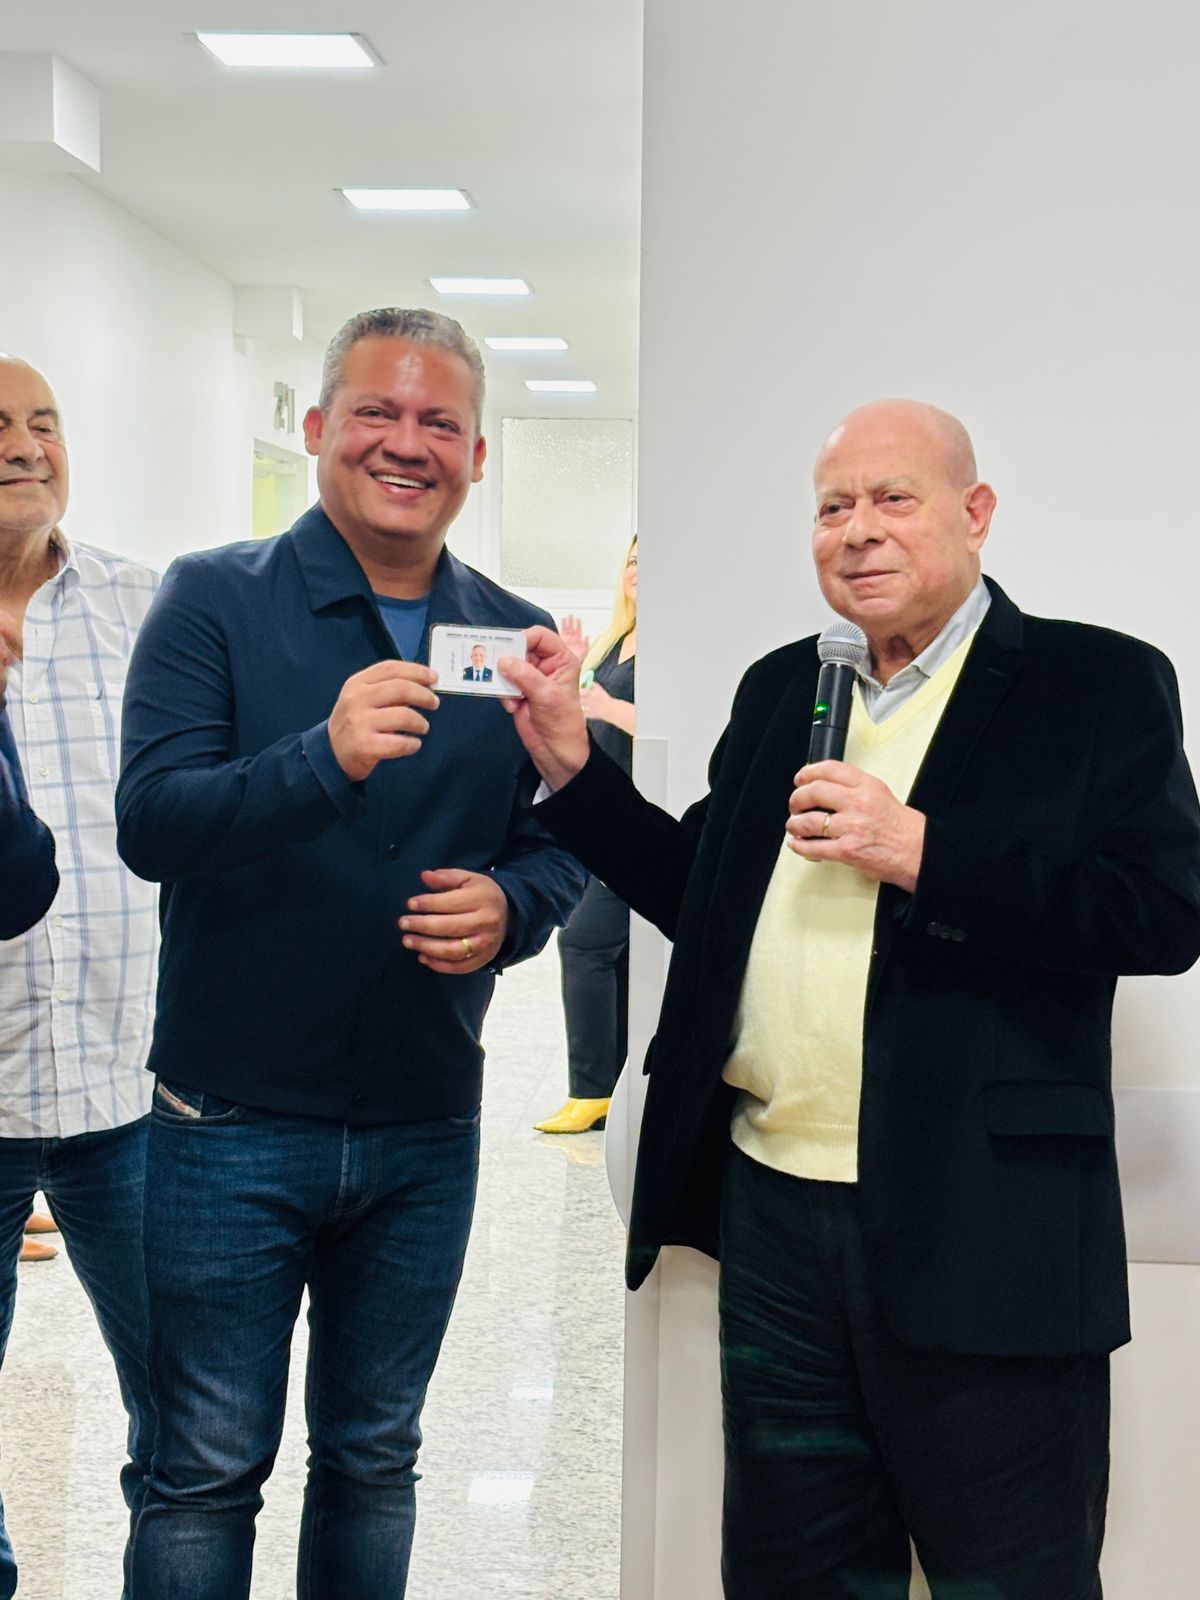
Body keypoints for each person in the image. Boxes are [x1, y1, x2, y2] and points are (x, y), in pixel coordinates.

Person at [500, 399, 1200, 1600]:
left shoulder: (1096, 682)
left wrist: (927, 853)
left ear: (975, 514)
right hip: (775, 1215)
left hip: (985, 1226)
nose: (858, 530)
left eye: (893, 499)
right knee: (792, 1574)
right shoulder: (788, 687)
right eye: (833, 507)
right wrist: (569, 761)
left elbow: (1164, 914)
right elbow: (700, 894)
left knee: (1012, 1573)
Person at [117, 307, 586, 1600]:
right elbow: (152, 822)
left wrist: (514, 907)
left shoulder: (514, 637)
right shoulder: (213, 599)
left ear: (477, 457)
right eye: (377, 411)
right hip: (227, 1118)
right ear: (320, 428)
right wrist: (318, 758)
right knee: (204, 1467)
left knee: (376, 1458)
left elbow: (561, 837)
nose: (406, 443)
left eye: (441, 422)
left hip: (423, 1121)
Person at [0, 356, 159, 1599]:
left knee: (188, 1406)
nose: (24, 445)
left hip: (137, 1078)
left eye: (43, 422)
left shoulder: (146, 607)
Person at [535, 538, 638, 1134]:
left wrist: (605, 705)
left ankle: (593, 1089)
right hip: (597, 812)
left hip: (637, 818)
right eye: (631, 561)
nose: (637, 572)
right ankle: (611, 1087)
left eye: (649, 563)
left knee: (583, 944)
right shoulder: (615, 641)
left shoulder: (670, 646)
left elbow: (675, 724)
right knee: (613, 956)